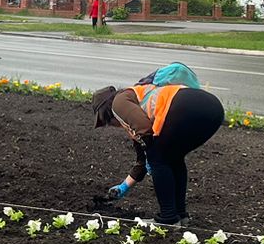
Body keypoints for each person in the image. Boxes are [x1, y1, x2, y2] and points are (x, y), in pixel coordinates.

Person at [91, 79, 225, 226]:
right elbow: (143, 160)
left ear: (107, 113)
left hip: (186, 107)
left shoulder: (119, 102)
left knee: (159, 159)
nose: (113, 126)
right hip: (211, 109)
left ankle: (168, 217)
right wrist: (124, 186)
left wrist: (152, 158)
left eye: (107, 122)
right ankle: (180, 215)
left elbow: (145, 132)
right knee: (173, 159)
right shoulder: (137, 107)